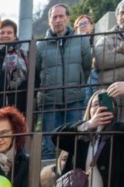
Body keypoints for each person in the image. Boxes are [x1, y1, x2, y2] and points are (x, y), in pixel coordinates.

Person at [33, 4, 94, 159]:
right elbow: (36, 71)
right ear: (49, 21)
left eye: (61, 16)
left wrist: (78, 83)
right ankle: (46, 181)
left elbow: (87, 67)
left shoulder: (81, 41)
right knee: (49, 146)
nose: (58, 20)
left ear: (67, 18)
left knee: (75, 143)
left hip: (75, 100)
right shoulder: (40, 46)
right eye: (54, 17)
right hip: (49, 102)